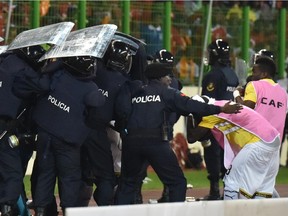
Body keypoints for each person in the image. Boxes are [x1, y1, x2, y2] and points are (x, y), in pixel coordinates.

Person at [114, 62, 242, 205]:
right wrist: (220, 109)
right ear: (159, 77)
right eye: (167, 76)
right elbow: (192, 106)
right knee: (177, 183)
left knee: (127, 184)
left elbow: (121, 111)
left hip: (131, 142)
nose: (170, 79)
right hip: (155, 142)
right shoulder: (167, 92)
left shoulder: (134, 92)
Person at [187, 96, 281, 200]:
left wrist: (189, 114)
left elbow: (192, 137)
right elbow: (205, 135)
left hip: (257, 142)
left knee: (232, 183)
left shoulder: (211, 113)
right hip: (273, 141)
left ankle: (231, 212)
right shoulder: (221, 104)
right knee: (262, 189)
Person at [81, 40, 133, 206]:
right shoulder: (123, 82)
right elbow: (122, 111)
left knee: (77, 173)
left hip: (76, 128)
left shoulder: (94, 71)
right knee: (106, 177)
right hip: (98, 131)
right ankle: (104, 209)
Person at [0, 45, 46, 216]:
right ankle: (9, 209)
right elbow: (42, 86)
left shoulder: (5, 63)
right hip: (8, 128)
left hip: (9, 127)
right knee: (13, 174)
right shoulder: (23, 71)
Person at [200, 39, 239, 200]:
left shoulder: (213, 75)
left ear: (214, 55)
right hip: (231, 123)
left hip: (215, 121)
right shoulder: (233, 74)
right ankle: (229, 192)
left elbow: (207, 100)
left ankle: (214, 190)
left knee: (212, 155)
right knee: (228, 157)